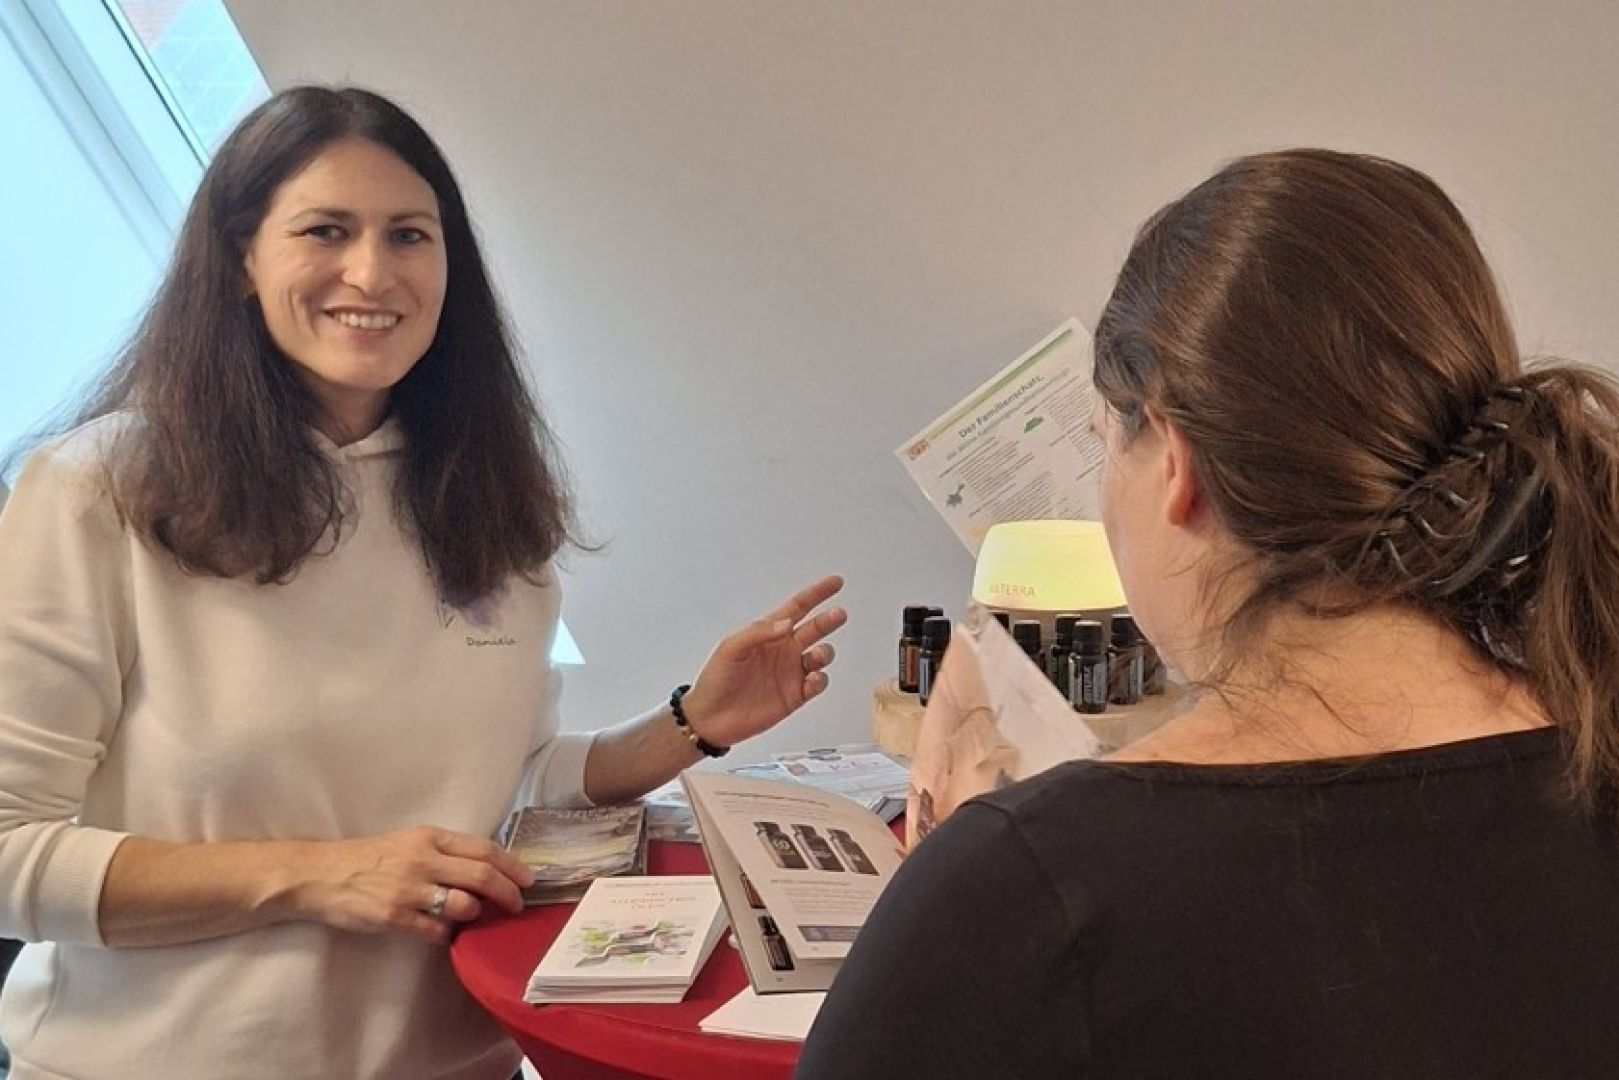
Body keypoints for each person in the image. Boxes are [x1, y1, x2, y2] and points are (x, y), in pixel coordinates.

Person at [0, 86, 845, 1080]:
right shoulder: (101, 490)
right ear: (238, 259)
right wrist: (313, 876)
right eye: (325, 230)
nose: (372, 272)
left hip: (462, 1061)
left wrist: (691, 724)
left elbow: (499, 785)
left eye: (409, 235)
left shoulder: (481, 495)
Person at [796, 149, 1619, 1078]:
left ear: (1174, 459)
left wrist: (975, 887)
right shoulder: (1595, 765)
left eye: (1104, 443)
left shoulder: (1021, 884)